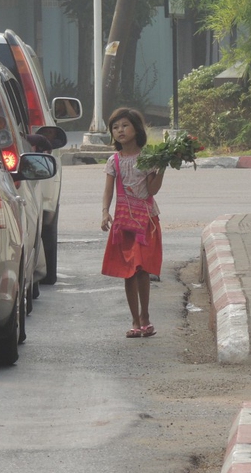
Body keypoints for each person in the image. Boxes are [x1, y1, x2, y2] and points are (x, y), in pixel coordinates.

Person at [101, 107, 165, 338]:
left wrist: (163, 166)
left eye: (125, 125)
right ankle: (135, 320)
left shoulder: (148, 158)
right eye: (115, 127)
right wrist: (104, 213)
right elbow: (108, 191)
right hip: (123, 223)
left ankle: (146, 317)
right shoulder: (113, 161)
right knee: (128, 271)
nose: (120, 130)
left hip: (146, 221)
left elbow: (152, 189)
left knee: (142, 269)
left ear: (136, 129)